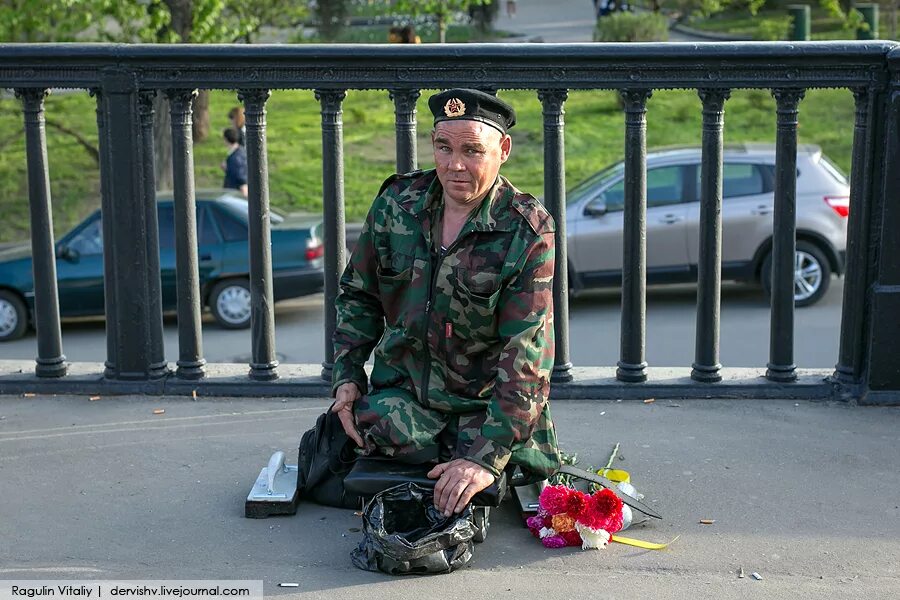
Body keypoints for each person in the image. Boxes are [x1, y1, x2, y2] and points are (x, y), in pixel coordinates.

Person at [330, 88, 560, 518]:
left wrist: (484, 457)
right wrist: (346, 377)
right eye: (444, 147)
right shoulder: (397, 204)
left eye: (473, 150)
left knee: (501, 465)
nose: (454, 165)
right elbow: (359, 295)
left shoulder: (526, 230)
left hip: (484, 410)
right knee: (359, 435)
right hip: (403, 407)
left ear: (503, 149)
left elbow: (527, 351)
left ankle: (485, 458)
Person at [221, 127, 248, 198]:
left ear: (226, 139)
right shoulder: (238, 151)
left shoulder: (236, 157)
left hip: (235, 192)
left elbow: (240, 176)